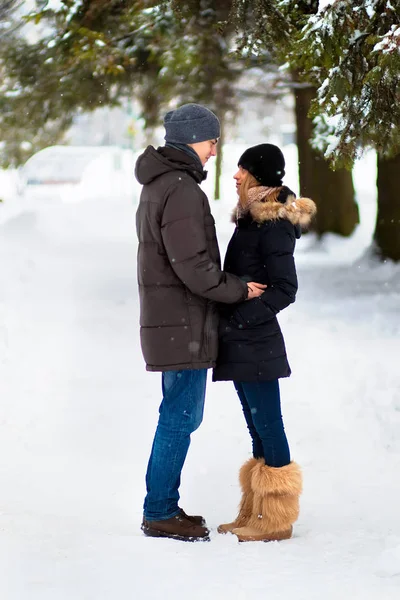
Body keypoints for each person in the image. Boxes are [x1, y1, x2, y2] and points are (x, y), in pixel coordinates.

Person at [135, 104, 266, 542]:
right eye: (212, 141)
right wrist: (238, 289)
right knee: (180, 417)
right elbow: (192, 264)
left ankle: (162, 507)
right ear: (194, 139)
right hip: (182, 323)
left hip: (173, 320)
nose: (214, 151)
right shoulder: (181, 189)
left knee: (177, 414)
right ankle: (159, 511)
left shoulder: (163, 185)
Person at [213, 143, 316, 542]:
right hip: (244, 339)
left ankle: (276, 520)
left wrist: (240, 317)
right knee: (257, 424)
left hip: (255, 339)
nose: (236, 176)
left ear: (260, 177)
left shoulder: (272, 224)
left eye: (243, 170)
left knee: (268, 424)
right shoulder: (251, 219)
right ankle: (256, 512)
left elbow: (285, 288)